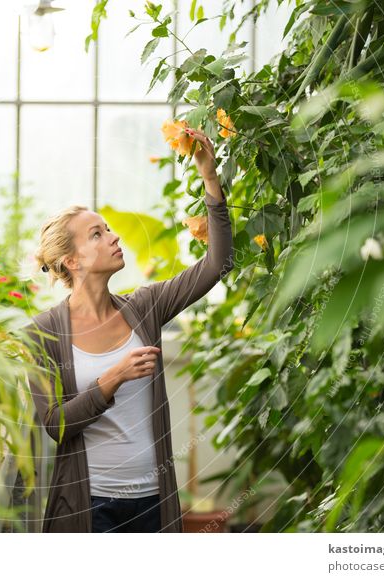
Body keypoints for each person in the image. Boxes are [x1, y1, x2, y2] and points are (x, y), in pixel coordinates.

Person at [21, 127, 233, 532]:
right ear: (72, 261)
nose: (114, 236)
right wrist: (112, 378)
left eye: (108, 229)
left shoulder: (145, 307)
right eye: (97, 234)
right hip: (90, 506)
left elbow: (217, 264)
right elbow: (55, 425)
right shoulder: (43, 332)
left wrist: (209, 178)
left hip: (152, 502)